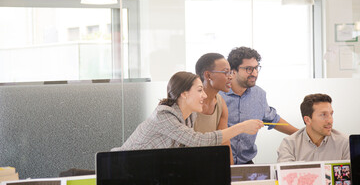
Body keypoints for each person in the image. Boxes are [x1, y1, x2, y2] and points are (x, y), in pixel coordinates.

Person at [112, 71, 264, 151]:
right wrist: (242, 127)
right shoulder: (163, 116)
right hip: (119, 171)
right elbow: (199, 141)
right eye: (199, 91)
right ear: (184, 94)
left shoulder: (189, 117)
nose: (204, 95)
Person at [219, 46, 298, 164]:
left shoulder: (259, 94)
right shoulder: (219, 95)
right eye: (249, 69)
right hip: (219, 162)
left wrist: (303, 134)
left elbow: (274, 120)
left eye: (256, 68)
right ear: (233, 71)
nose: (254, 73)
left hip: (246, 163)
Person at [277, 93, 350, 162]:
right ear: (307, 120)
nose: (330, 120)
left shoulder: (345, 143)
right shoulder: (289, 144)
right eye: (323, 115)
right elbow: (285, 174)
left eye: (331, 114)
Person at [194, 53, 234, 164]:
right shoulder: (189, 102)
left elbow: (225, 142)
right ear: (208, 75)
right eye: (226, 72)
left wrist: (231, 173)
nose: (230, 77)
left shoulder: (221, 103)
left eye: (230, 72)